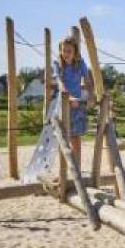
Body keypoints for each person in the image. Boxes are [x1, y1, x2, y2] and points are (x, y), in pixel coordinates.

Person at [54, 36, 94, 167]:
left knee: (75, 137)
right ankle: (65, 168)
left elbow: (87, 80)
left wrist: (90, 96)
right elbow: (60, 82)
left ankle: (77, 167)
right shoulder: (58, 64)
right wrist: (68, 97)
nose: (66, 53)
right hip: (63, 103)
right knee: (64, 136)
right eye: (64, 50)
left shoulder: (80, 64)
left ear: (75, 52)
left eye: (69, 51)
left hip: (76, 104)